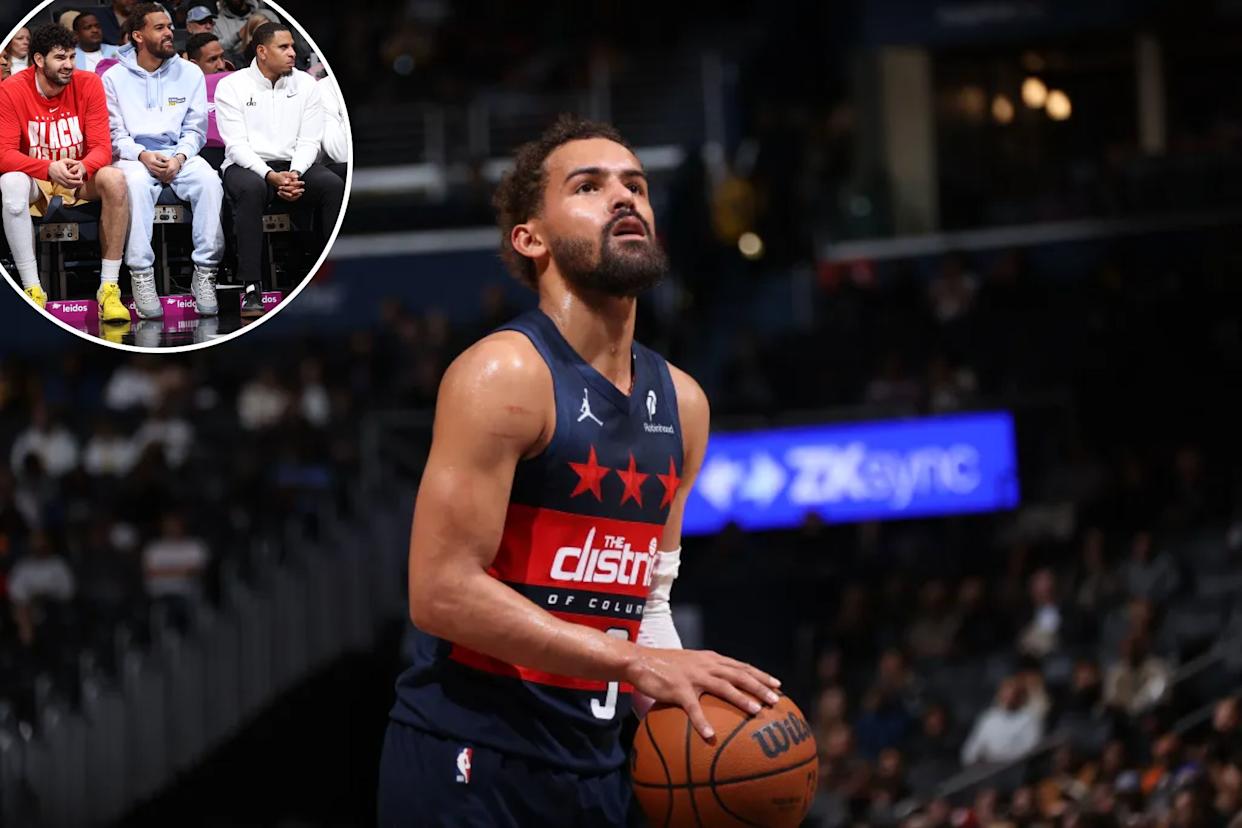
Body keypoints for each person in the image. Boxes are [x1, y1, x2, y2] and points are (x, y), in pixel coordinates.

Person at [377, 115, 782, 826]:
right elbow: (440, 593)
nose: (625, 199)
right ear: (530, 238)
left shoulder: (683, 404)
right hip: (470, 756)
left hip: (597, 765)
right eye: (589, 187)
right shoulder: (503, 373)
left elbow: (645, 606)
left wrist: (700, 727)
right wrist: (631, 666)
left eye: (636, 186)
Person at [103, 3, 223, 319]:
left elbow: (196, 128)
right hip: (134, 156)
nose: (170, 32)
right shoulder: (113, 77)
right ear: (138, 36)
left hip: (180, 154)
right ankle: (142, 275)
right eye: (160, 28)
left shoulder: (190, 72)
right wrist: (142, 155)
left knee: (210, 181)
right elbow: (115, 135)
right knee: (136, 184)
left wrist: (180, 156)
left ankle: (205, 273)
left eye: (170, 26)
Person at [0, 24, 130, 317]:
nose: (69, 65)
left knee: (116, 178)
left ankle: (109, 290)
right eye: (60, 58)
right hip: (35, 177)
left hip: (77, 176)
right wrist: (48, 169)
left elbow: (102, 148)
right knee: (10, 183)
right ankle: (32, 289)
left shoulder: (89, 83)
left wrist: (84, 165)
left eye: (72, 56)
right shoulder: (10, 90)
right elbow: (4, 155)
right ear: (38, 60)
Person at [216, 23, 341, 317]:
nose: (292, 53)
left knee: (332, 185)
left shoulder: (307, 85)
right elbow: (236, 146)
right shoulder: (232, 86)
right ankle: (251, 288)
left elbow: (310, 140)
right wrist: (271, 176)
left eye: (293, 47)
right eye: (283, 47)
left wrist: (294, 173)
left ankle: (322, 274)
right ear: (262, 52)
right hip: (246, 165)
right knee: (251, 188)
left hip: (294, 165)